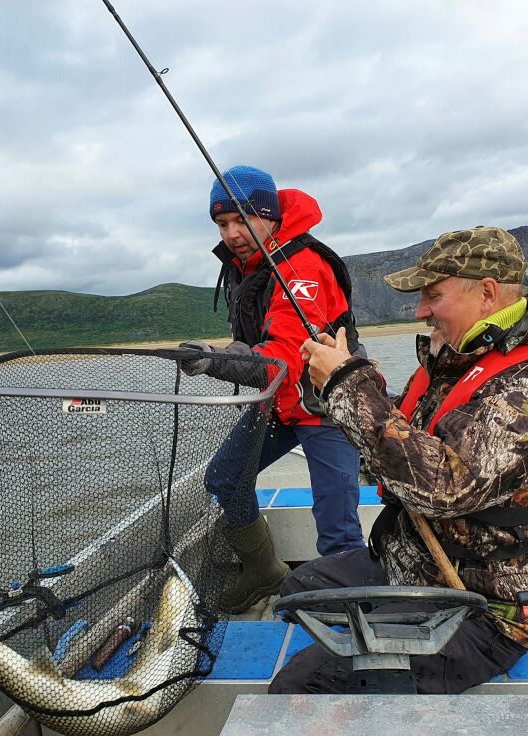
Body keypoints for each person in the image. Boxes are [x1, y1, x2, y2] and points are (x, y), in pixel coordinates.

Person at [270, 225, 528, 693]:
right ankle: (376, 659)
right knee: (297, 592)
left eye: (433, 296)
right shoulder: (455, 361)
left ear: (488, 293)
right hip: (411, 566)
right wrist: (348, 390)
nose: (421, 312)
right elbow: (406, 444)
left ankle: (378, 670)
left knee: (299, 687)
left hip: (476, 605)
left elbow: (445, 486)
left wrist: (348, 387)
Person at [179, 165, 367, 613]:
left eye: (242, 220)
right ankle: (263, 570)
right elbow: (264, 345)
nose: (232, 233)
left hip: (327, 405)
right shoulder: (254, 266)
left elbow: (282, 357)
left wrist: (215, 360)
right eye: (222, 224)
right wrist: (223, 355)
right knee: (226, 478)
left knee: (337, 524)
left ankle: (350, 610)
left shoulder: (301, 266)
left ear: (269, 215)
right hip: (281, 406)